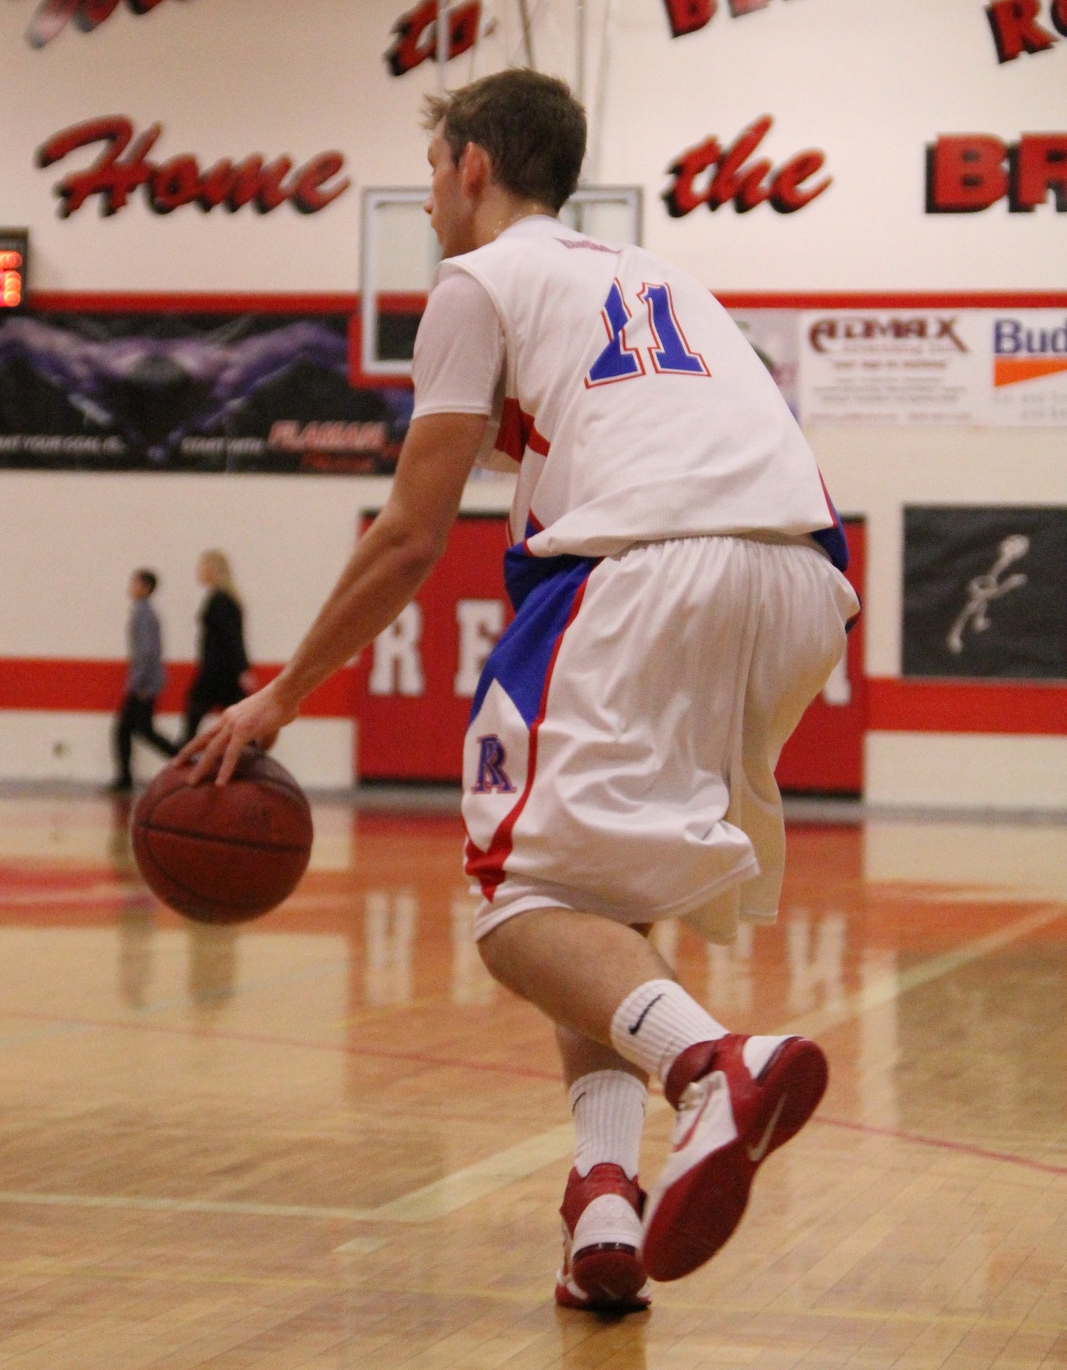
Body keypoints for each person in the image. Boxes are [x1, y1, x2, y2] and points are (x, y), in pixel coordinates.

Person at [185, 68, 858, 1312]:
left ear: (473, 166)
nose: (427, 202)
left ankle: (715, 1065)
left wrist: (277, 696)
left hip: (647, 567)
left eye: (432, 171)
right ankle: (603, 1198)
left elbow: (408, 534)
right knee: (596, 899)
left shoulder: (477, 280)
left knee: (516, 908)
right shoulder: (655, 279)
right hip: (806, 581)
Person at [108, 569, 178, 792]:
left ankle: (125, 779)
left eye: (135, 583)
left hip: (143, 685)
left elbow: (147, 652)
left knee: (126, 730)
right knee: (141, 730)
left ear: (146, 587)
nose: (131, 587)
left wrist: (138, 683)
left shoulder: (144, 614)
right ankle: (183, 759)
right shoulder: (143, 612)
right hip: (146, 682)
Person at [184, 550, 251, 746]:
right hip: (222, 671)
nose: (198, 572)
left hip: (217, 671)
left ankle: (184, 757)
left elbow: (232, 637)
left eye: (202, 567)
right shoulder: (223, 598)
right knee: (237, 723)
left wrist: (243, 669)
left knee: (194, 717)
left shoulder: (220, 600)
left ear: (213, 570)